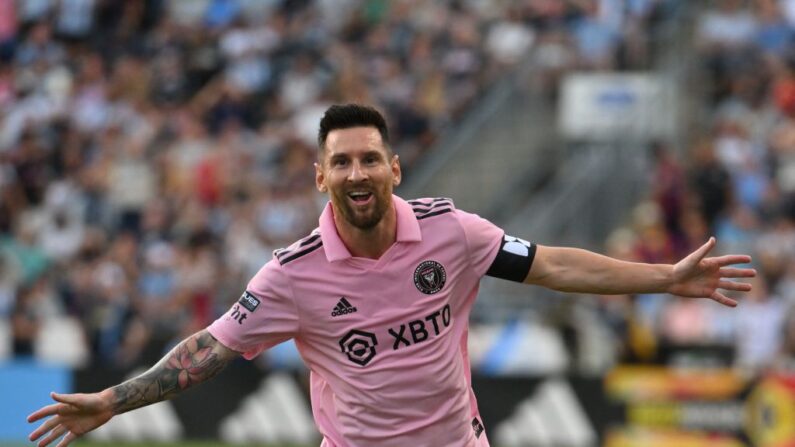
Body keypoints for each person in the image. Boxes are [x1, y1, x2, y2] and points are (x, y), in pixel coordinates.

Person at [28, 104, 756, 447]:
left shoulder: (452, 231)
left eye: (368, 157)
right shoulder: (290, 276)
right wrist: (114, 402)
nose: (356, 172)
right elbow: (206, 351)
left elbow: (552, 263)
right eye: (340, 161)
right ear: (320, 176)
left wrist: (664, 277)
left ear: (393, 167)